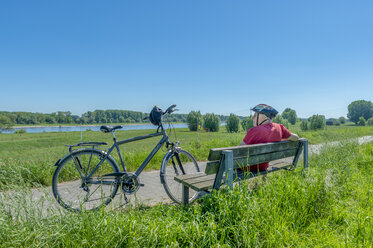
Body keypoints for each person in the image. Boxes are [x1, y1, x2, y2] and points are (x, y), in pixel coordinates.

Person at [239, 104, 299, 172]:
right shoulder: (280, 128)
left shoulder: (254, 131)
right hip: (263, 167)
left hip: (247, 167)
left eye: (255, 115)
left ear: (264, 117)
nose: (253, 118)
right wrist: (282, 138)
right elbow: (296, 137)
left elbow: (238, 152)